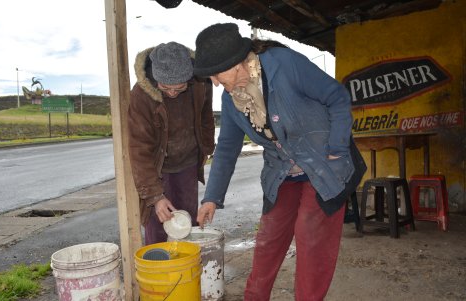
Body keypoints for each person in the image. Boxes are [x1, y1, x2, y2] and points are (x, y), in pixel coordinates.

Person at [193, 23, 365, 300]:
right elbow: (226, 147)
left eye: (215, 73)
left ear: (237, 63)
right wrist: (211, 198)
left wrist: (337, 148)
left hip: (323, 164)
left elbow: (337, 97)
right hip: (282, 170)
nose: (214, 81)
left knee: (310, 237)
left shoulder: (284, 65)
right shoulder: (231, 98)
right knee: (268, 239)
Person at [127, 42, 215, 245]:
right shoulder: (141, 95)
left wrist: (207, 148)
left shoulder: (202, 82)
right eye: (166, 88)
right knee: (159, 222)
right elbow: (139, 148)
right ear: (156, 79)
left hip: (188, 161)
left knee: (187, 223)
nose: (173, 94)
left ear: (189, 78)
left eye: (179, 88)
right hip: (158, 167)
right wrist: (155, 196)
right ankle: (159, 271)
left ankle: (185, 270)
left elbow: (205, 116)